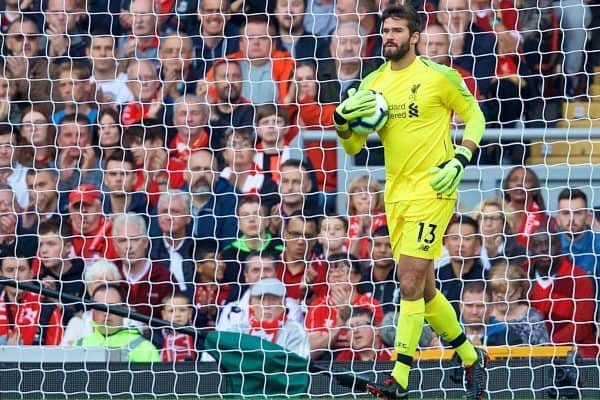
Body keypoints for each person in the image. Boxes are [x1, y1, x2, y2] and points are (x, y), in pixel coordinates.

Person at [332, 4, 487, 398]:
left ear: (415, 36)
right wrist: (341, 121)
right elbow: (352, 146)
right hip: (396, 196)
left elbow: (475, 118)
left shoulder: (439, 76)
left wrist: (461, 157)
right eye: (386, 30)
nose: (389, 37)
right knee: (427, 289)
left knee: (410, 282)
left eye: (397, 31)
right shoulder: (373, 83)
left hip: (434, 189)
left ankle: (398, 376)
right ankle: (470, 357)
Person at [528, 227, 598, 358]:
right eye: (537, 245)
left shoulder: (578, 277)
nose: (544, 249)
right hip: (529, 354)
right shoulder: (521, 276)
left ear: (559, 246)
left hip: (576, 354)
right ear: (530, 249)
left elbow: (582, 325)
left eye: (550, 244)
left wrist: (547, 345)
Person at [78, 284, 160, 362]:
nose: (106, 313)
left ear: (124, 309)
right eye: (100, 307)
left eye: (112, 307)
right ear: (93, 311)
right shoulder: (79, 345)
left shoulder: (145, 348)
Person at [0, 256, 63, 346]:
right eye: (10, 270)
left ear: (31, 273)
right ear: (1, 275)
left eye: (21, 270)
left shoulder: (48, 309)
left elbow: (54, 356)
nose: (16, 276)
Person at [487, 263, 549, 345]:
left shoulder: (532, 318)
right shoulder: (484, 314)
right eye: (495, 292)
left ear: (519, 292)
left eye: (505, 292)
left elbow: (544, 351)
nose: (499, 298)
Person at [437, 215, 486, 315]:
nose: (460, 244)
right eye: (455, 238)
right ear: (445, 242)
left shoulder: (487, 279)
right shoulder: (435, 278)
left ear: (478, 243)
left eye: (467, 238)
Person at [555, 188, 600, 278]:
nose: (571, 218)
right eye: (566, 213)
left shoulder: (597, 243)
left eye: (578, 213)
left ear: (588, 217)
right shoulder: (548, 244)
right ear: (557, 219)